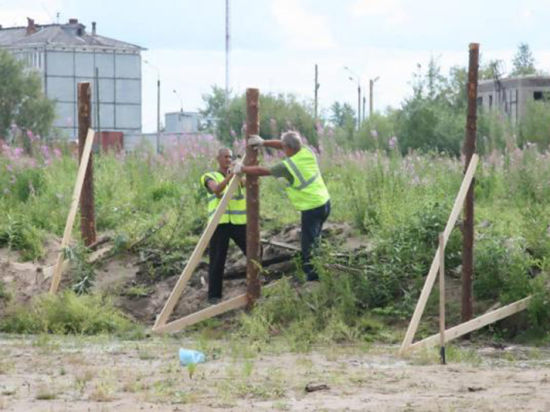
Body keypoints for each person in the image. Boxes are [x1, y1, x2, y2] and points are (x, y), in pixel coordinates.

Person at [234, 131, 330, 281]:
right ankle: (317, 267)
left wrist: (242, 169)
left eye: (284, 147)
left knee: (308, 243)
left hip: (312, 207)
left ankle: (312, 276)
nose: (282, 149)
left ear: (288, 147)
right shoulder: (306, 151)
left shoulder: (288, 166)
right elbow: (284, 144)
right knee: (315, 239)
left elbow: (263, 171)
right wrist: (263, 142)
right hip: (324, 202)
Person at [201, 148, 247, 303]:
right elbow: (216, 190)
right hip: (219, 224)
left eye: (231, 157)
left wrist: (243, 171)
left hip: (238, 223)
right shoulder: (209, 176)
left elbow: (252, 184)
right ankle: (214, 296)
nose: (229, 159)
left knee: (254, 251)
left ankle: (256, 282)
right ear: (218, 158)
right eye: (226, 157)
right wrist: (230, 177)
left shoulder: (237, 177)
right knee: (217, 260)